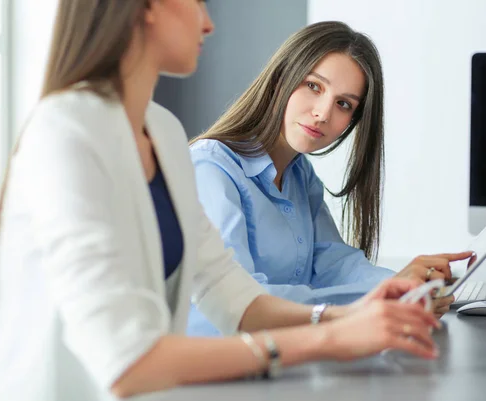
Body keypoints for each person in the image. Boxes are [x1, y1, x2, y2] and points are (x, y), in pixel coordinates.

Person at [0, 3, 450, 400]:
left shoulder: (165, 133)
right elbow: (126, 362)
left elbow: (230, 295)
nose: (209, 22)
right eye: (197, 1)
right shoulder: (65, 133)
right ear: (146, 8)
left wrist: (355, 313)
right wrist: (327, 339)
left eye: (344, 103)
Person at [187, 21, 470, 337]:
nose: (323, 113)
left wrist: (404, 288)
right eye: (313, 86)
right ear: (281, 79)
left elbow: (333, 263)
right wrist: (374, 301)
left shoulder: (300, 175)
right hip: (219, 367)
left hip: (285, 355)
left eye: (344, 104)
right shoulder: (211, 168)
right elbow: (244, 300)